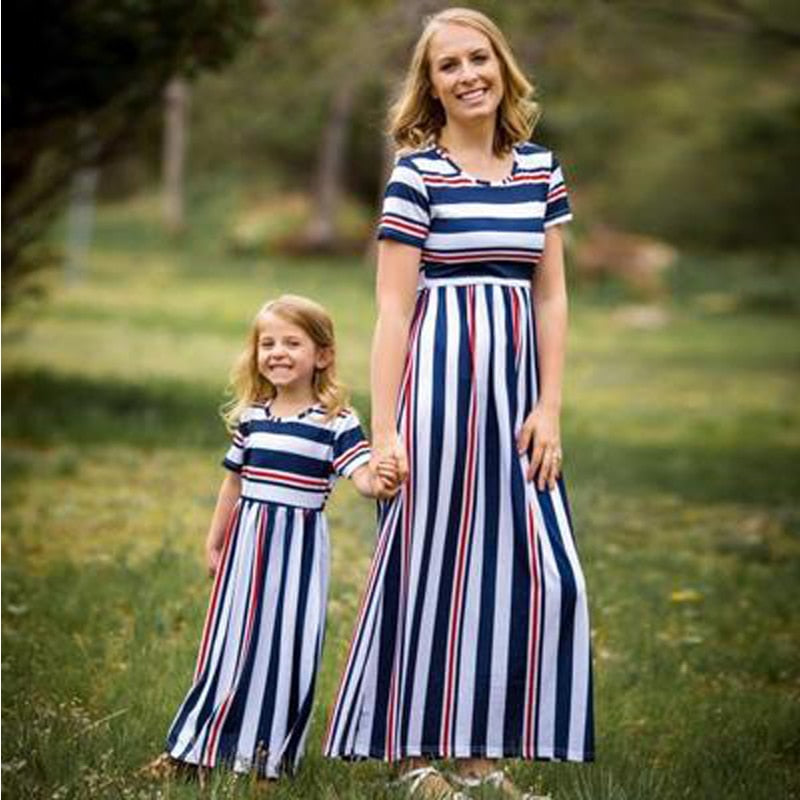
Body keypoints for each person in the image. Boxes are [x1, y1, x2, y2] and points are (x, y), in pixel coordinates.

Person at [323, 8, 594, 799]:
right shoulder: (418, 176)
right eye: (449, 66)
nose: (468, 74)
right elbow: (394, 310)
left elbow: (551, 299)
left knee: (534, 570)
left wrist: (550, 407)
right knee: (429, 562)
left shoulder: (541, 170)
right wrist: (384, 431)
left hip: (516, 403)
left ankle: (481, 760)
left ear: (503, 67)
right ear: (431, 86)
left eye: (480, 58)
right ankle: (415, 760)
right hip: (434, 395)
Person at [145, 294, 398, 785]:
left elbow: (363, 480)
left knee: (285, 651)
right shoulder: (252, 417)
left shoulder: (335, 421)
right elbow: (234, 482)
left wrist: (382, 478)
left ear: (321, 355)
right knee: (228, 647)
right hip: (247, 549)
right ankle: (192, 751)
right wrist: (215, 539)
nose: (277, 352)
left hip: (298, 556)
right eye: (267, 343)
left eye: (292, 343)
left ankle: (267, 761)